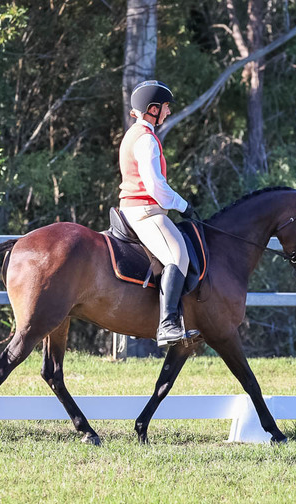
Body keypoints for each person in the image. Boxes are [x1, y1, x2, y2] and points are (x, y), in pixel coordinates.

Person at [118, 80, 196, 347]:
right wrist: (183, 205)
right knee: (178, 255)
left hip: (136, 208)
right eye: (165, 107)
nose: (168, 112)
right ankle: (167, 326)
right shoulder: (147, 140)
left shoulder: (135, 134)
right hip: (145, 211)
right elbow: (155, 186)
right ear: (152, 108)